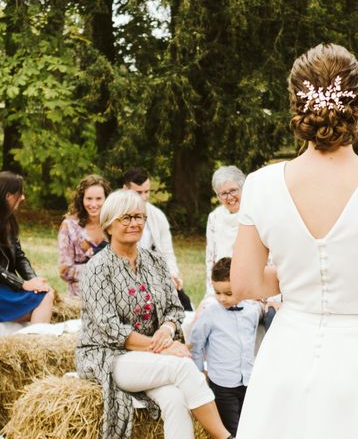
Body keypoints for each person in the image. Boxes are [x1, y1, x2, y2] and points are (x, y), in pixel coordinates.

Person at [231, 43, 358, 439]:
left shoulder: (261, 185)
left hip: (288, 358)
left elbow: (245, 284)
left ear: (296, 104)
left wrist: (294, 275)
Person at [76, 189, 232, 439]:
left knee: (175, 397)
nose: (134, 223)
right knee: (181, 367)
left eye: (139, 217)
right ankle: (224, 436)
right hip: (109, 356)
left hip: (151, 355)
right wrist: (160, 348)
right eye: (125, 218)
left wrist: (166, 330)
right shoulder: (97, 268)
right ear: (109, 224)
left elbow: (174, 307)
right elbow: (110, 328)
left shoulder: (155, 261)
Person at [190, 257, 262, 437]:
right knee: (232, 430)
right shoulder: (210, 313)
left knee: (249, 426)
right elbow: (195, 344)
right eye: (217, 292)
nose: (222, 298)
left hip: (247, 381)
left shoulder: (252, 310)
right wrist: (200, 373)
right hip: (222, 385)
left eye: (228, 293)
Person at [123, 167, 192, 311]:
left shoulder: (157, 216)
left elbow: (167, 252)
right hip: (124, 276)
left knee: (184, 303)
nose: (143, 197)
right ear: (125, 190)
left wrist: (172, 275)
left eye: (146, 192)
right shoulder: (114, 216)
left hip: (155, 275)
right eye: (138, 192)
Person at [0, 171, 54, 323]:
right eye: (20, 192)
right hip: (4, 287)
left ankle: (32, 343)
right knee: (45, 298)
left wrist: (36, 282)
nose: (23, 197)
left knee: (46, 293)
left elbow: (19, 257)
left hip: (6, 285)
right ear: (8, 196)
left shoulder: (8, 220)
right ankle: (36, 345)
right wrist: (23, 284)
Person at [58, 174, 111, 296]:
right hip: (80, 297)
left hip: (111, 297)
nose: (93, 204)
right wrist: (102, 270)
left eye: (98, 199)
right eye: (89, 198)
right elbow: (64, 271)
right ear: (82, 199)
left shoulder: (112, 225)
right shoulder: (69, 226)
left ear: (106, 199)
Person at [205, 166, 245, 297]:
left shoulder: (254, 213)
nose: (230, 197)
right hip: (221, 288)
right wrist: (212, 293)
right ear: (218, 196)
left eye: (233, 190)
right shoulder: (214, 217)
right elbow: (210, 258)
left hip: (249, 287)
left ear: (243, 189)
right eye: (224, 193)